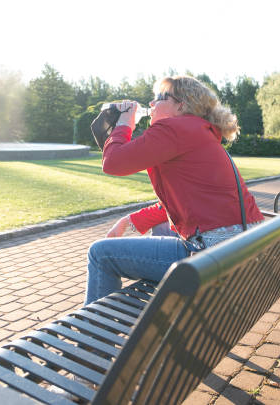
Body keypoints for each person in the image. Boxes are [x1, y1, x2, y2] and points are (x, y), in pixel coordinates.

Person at [85, 75, 264, 305]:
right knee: (161, 227)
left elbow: (113, 162)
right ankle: (158, 309)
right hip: (241, 250)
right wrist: (131, 220)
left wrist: (123, 124)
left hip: (211, 257)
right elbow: (188, 202)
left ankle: (93, 336)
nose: (151, 104)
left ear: (181, 105)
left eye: (160, 97)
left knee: (101, 254)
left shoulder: (175, 129)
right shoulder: (199, 131)